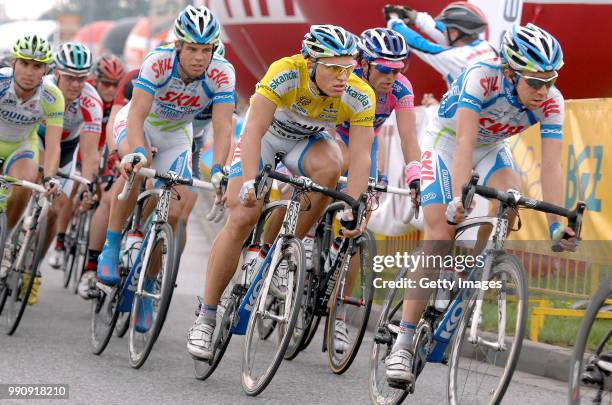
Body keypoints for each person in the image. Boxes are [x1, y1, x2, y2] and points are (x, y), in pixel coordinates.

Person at [384, 23, 579, 388]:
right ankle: (404, 340)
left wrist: (557, 223)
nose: (544, 90)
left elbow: (552, 167)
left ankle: (466, 273)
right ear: (509, 72)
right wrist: (458, 200)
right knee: (441, 233)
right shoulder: (481, 78)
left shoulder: (552, 101)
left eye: (550, 79)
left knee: (510, 200)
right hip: (446, 142)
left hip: (491, 148)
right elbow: (462, 146)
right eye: (534, 82)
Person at [186, 24, 377, 360]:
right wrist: (248, 181)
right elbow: (255, 128)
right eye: (334, 67)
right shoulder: (286, 72)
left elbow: (360, 157)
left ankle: (281, 254)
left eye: (349, 68)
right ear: (312, 62)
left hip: (306, 143)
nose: (343, 76)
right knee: (243, 214)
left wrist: (354, 207)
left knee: (332, 167)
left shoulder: (360, 94)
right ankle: (207, 316)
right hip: (266, 138)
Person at [97, 5, 236, 334]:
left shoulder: (222, 72)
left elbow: (223, 127)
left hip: (176, 134)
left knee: (175, 210)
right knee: (134, 174)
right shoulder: (157, 62)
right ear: (178, 46)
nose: (200, 57)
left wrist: (218, 169)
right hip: (140, 125)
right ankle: (112, 245)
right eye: (192, 49)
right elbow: (136, 115)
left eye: (207, 50)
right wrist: (137, 153)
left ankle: (147, 287)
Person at [332, 27, 421, 352]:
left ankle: (338, 315)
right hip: (330, 133)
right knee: (323, 176)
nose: (391, 76)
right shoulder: (345, 76)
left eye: (398, 69)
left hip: (362, 142)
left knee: (356, 231)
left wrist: (414, 176)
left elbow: (409, 137)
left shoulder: (400, 88)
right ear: (364, 64)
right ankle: (294, 247)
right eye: (384, 68)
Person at [0, 35, 64, 300]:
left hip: (22, 146)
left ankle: (5, 245)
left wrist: (49, 177)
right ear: (14, 62)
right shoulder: (2, 82)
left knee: (26, 182)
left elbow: (53, 143)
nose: (29, 71)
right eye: (25, 63)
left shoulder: (51, 96)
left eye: (37, 66)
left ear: (46, 70)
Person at [42, 43, 103, 277]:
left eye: (82, 78)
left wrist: (87, 187)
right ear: (56, 72)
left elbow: (89, 153)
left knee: (56, 209)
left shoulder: (91, 101)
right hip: (38, 141)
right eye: (70, 78)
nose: (77, 84)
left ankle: (32, 269)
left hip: (67, 149)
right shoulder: (44, 88)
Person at [76, 54, 126, 298]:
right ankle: (89, 267)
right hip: (92, 147)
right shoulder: (93, 100)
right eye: (105, 83)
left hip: (115, 146)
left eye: (115, 85)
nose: (110, 89)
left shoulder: (127, 97)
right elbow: (89, 146)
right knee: (104, 197)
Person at [385, 2, 497, 88]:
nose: (443, 31)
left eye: (446, 28)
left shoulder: (453, 57)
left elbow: (419, 44)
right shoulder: (488, 47)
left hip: (465, 115)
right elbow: (444, 33)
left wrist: (393, 21)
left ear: (454, 33)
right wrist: (416, 17)